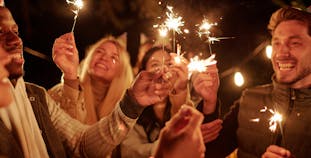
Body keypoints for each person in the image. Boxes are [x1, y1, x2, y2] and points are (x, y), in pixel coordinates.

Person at [0, 6, 171, 158]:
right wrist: (70, 76)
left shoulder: (36, 97)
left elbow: (81, 144)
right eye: (0, 31)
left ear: (122, 72)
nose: (16, 40)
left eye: (16, 32)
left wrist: (132, 102)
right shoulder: (54, 93)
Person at [197, 7, 311, 158]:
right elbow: (208, 153)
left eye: (294, 43)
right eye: (276, 43)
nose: (282, 53)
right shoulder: (249, 99)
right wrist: (209, 104)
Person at [118, 46, 191, 158]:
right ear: (142, 74)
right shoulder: (132, 106)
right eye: (155, 65)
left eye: (169, 64)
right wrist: (168, 145)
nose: (163, 69)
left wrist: (180, 93)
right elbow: (129, 151)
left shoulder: (186, 102)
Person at [49, 34, 133, 124]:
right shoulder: (61, 91)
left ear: (121, 70)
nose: (104, 58)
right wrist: (70, 76)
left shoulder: (123, 110)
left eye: (113, 57)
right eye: (99, 51)